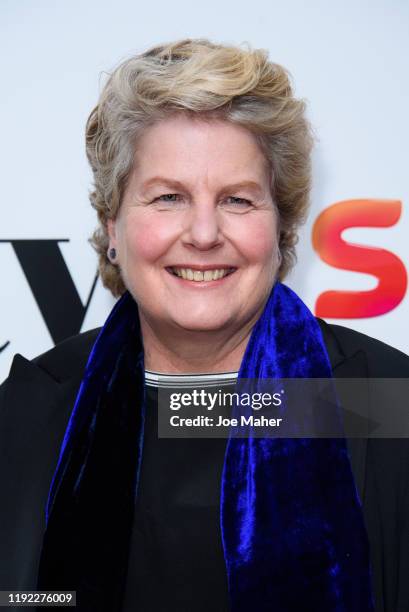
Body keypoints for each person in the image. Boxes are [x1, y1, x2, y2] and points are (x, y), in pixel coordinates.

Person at [0, 38, 408, 612]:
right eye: (168, 197)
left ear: (282, 228)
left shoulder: (386, 403)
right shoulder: (31, 411)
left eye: (238, 201)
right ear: (113, 226)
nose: (203, 233)